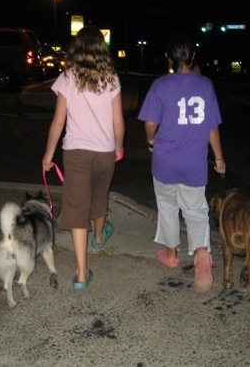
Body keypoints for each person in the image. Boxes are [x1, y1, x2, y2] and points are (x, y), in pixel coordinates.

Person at [137, 32, 226, 293]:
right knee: (196, 211)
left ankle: (172, 255)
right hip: (194, 165)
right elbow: (212, 128)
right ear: (193, 55)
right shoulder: (206, 85)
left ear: (168, 57)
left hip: (165, 162)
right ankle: (201, 258)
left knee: (167, 207)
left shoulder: (160, 86)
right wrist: (219, 157)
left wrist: (151, 139)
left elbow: (150, 123)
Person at [42, 25, 125, 290]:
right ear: (102, 49)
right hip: (104, 150)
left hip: (76, 151)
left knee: (77, 206)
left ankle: (81, 273)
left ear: (77, 49)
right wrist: (119, 146)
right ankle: (100, 236)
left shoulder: (67, 77)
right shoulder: (111, 78)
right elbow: (118, 120)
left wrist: (48, 155)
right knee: (100, 194)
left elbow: (58, 122)